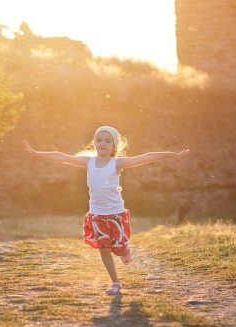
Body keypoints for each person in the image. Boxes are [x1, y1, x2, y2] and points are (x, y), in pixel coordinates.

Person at [23, 126, 189, 296]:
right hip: (97, 214)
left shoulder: (117, 163)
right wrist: (36, 153)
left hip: (116, 213)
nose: (102, 143)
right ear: (94, 142)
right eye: (99, 140)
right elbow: (61, 156)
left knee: (119, 248)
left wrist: (171, 155)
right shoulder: (87, 161)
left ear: (114, 145)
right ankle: (116, 282)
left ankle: (125, 250)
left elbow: (146, 157)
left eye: (107, 141)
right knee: (104, 248)